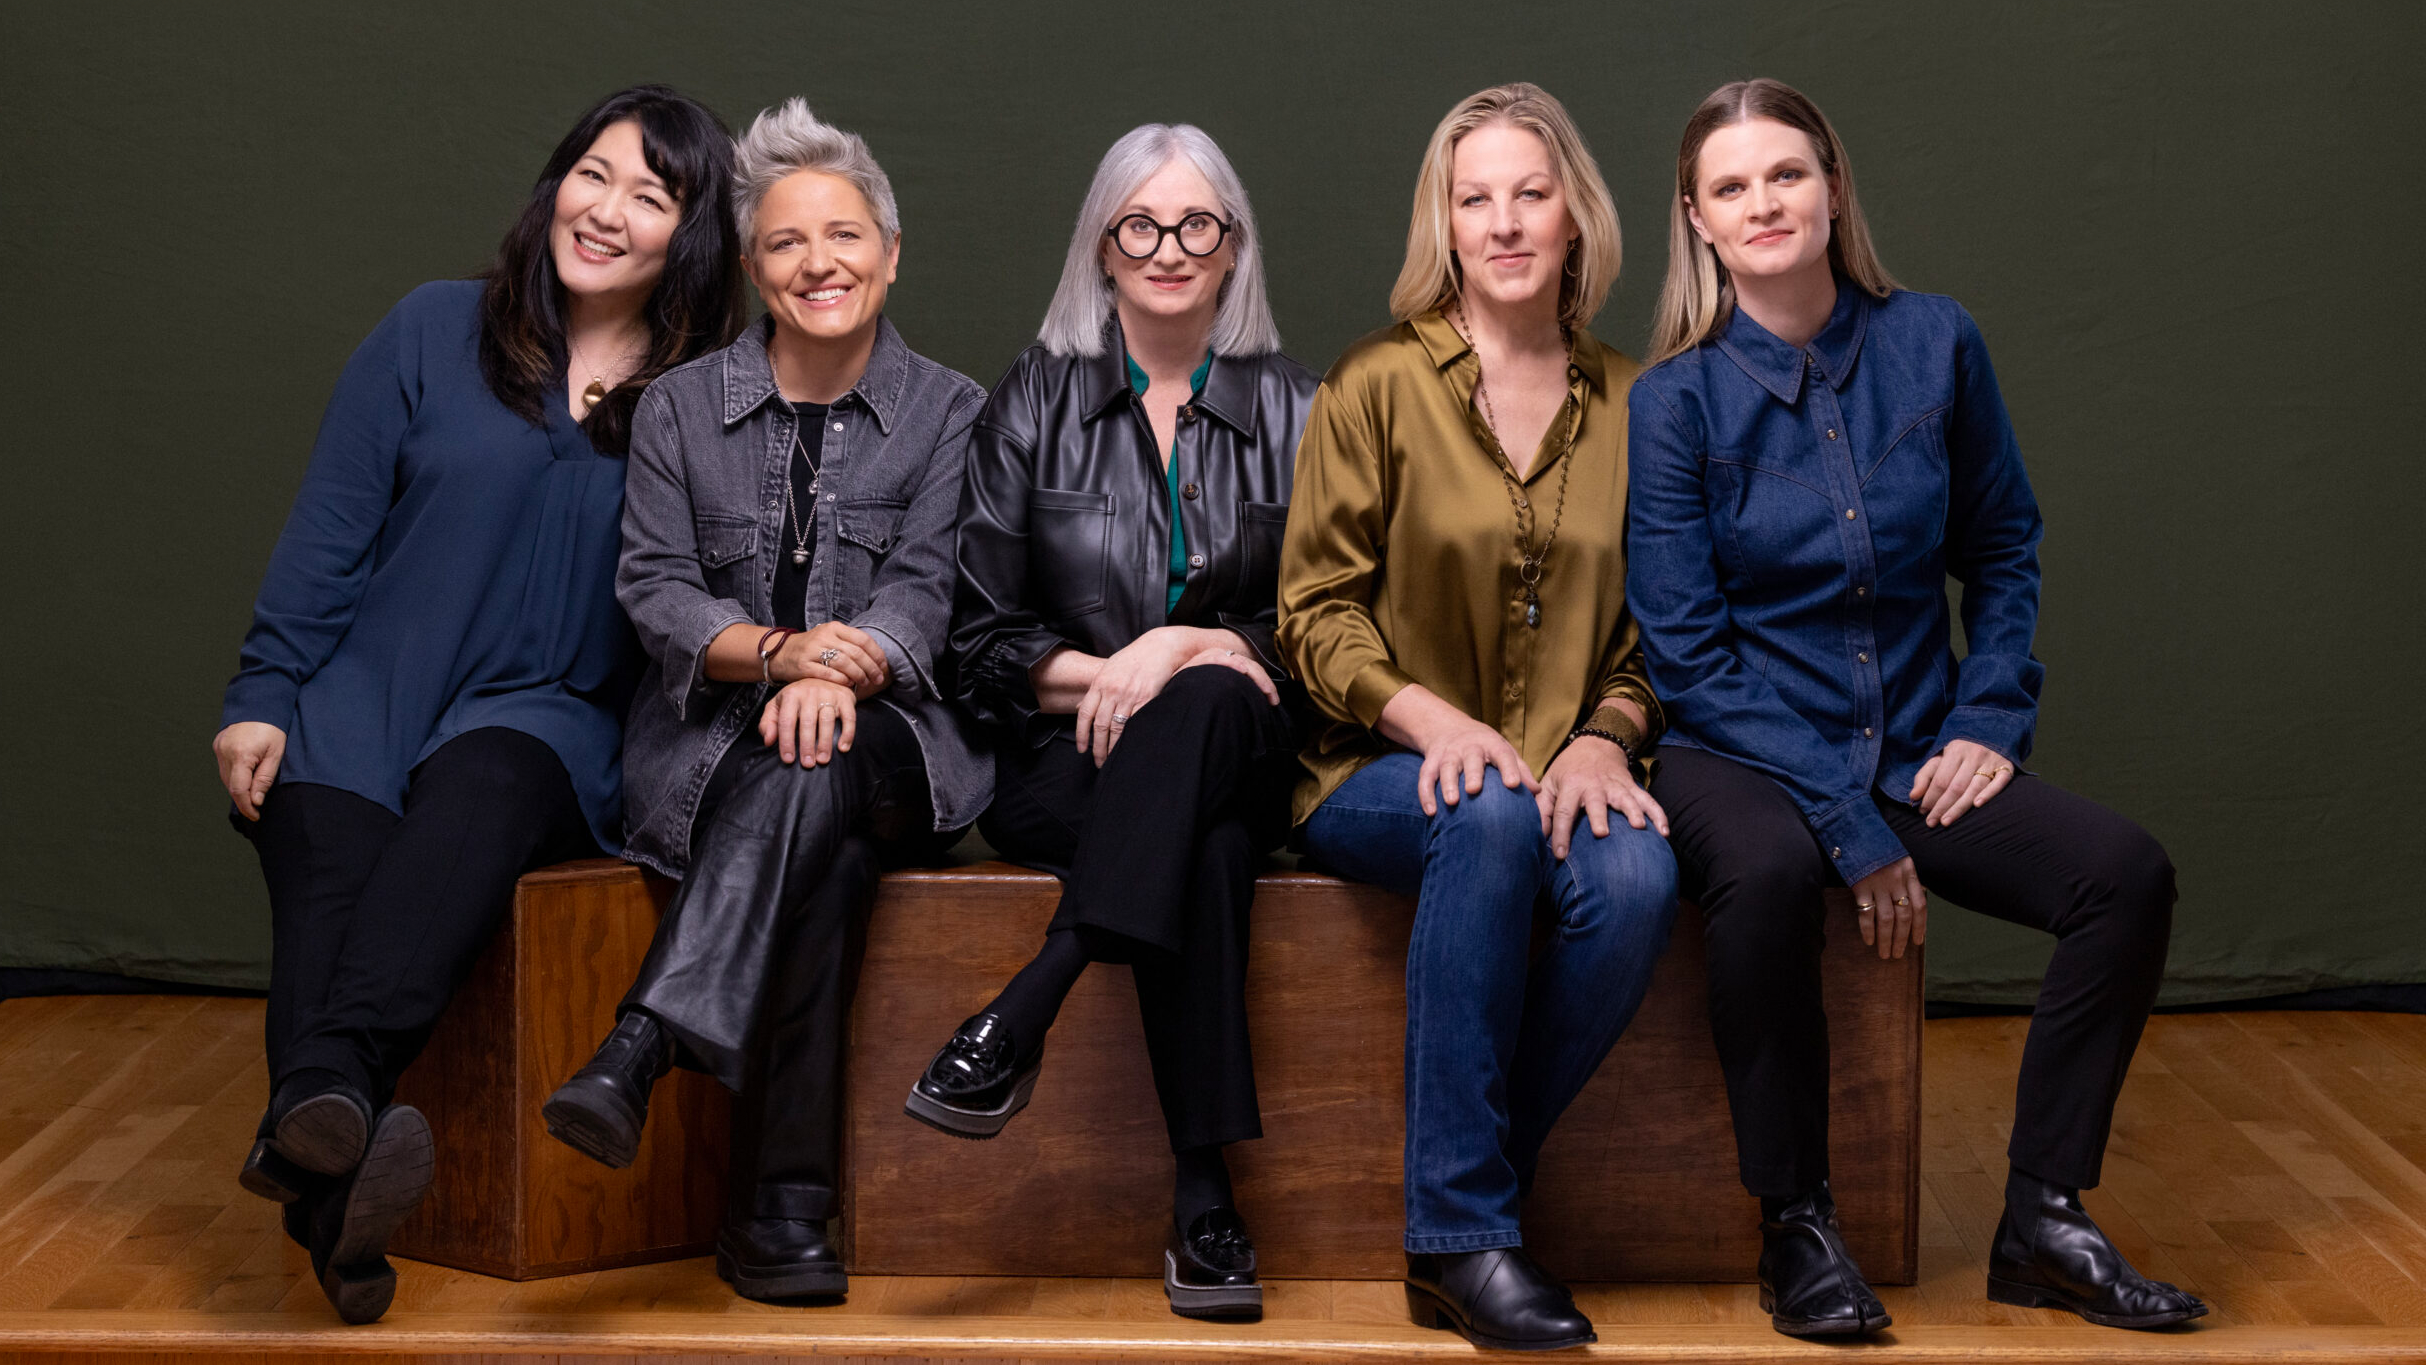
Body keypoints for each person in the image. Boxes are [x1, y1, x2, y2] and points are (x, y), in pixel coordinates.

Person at [1627, 77, 2208, 1337]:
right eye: (1730, 186)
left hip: (1912, 743)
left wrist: (1985, 718)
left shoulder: (1936, 341)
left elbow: (2000, 546)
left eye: (1786, 173)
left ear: (1833, 188)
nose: (1762, 202)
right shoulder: (1672, 402)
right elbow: (1687, 659)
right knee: (1768, 877)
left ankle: (2041, 1217)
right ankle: (1794, 1226)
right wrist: (1847, 823)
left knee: (2123, 877)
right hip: (1739, 748)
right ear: (1696, 220)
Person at [212, 85, 744, 1324]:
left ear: (690, 237)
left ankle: (323, 1095)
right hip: (364, 696)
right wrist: (262, 693)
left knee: (483, 789)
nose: (605, 210)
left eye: (649, 196)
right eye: (592, 175)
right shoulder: (429, 329)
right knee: (329, 885)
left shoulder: (702, 399)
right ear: (555, 182)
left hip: (544, 716)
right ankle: (333, 1207)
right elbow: (329, 533)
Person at [537, 99, 989, 1305]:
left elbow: (927, 591)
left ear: (890, 254)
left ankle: (642, 1044)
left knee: (827, 761)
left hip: (895, 744)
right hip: (711, 750)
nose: (816, 263)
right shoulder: (680, 407)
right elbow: (655, 588)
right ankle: (780, 1214)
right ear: (751, 268)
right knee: (816, 840)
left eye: (843, 236)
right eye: (785, 243)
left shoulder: (951, 411)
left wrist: (840, 671)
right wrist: (783, 658)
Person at [1277, 84, 1678, 1352]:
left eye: (1528, 193)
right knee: (1488, 811)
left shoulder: (1641, 405)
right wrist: (1432, 724)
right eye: (1473, 199)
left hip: (1569, 765)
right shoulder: (1374, 383)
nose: (1502, 222)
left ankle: (1472, 1181)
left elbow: (1665, 630)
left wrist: (1607, 734)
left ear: (1574, 217)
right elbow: (1313, 611)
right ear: (1443, 225)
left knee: (1635, 879)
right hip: (1372, 772)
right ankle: (1458, 1238)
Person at [906, 123, 1316, 1321]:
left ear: (1233, 247)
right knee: (1206, 847)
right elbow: (976, 643)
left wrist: (1176, 651)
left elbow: (1327, 634)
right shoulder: (1030, 401)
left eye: (1196, 225)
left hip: (1245, 738)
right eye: (1140, 225)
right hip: (1064, 762)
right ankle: (1203, 1201)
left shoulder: (1304, 408)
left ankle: (1025, 1005)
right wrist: (1117, 679)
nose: (1168, 249)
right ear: (1101, 244)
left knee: (1205, 701)